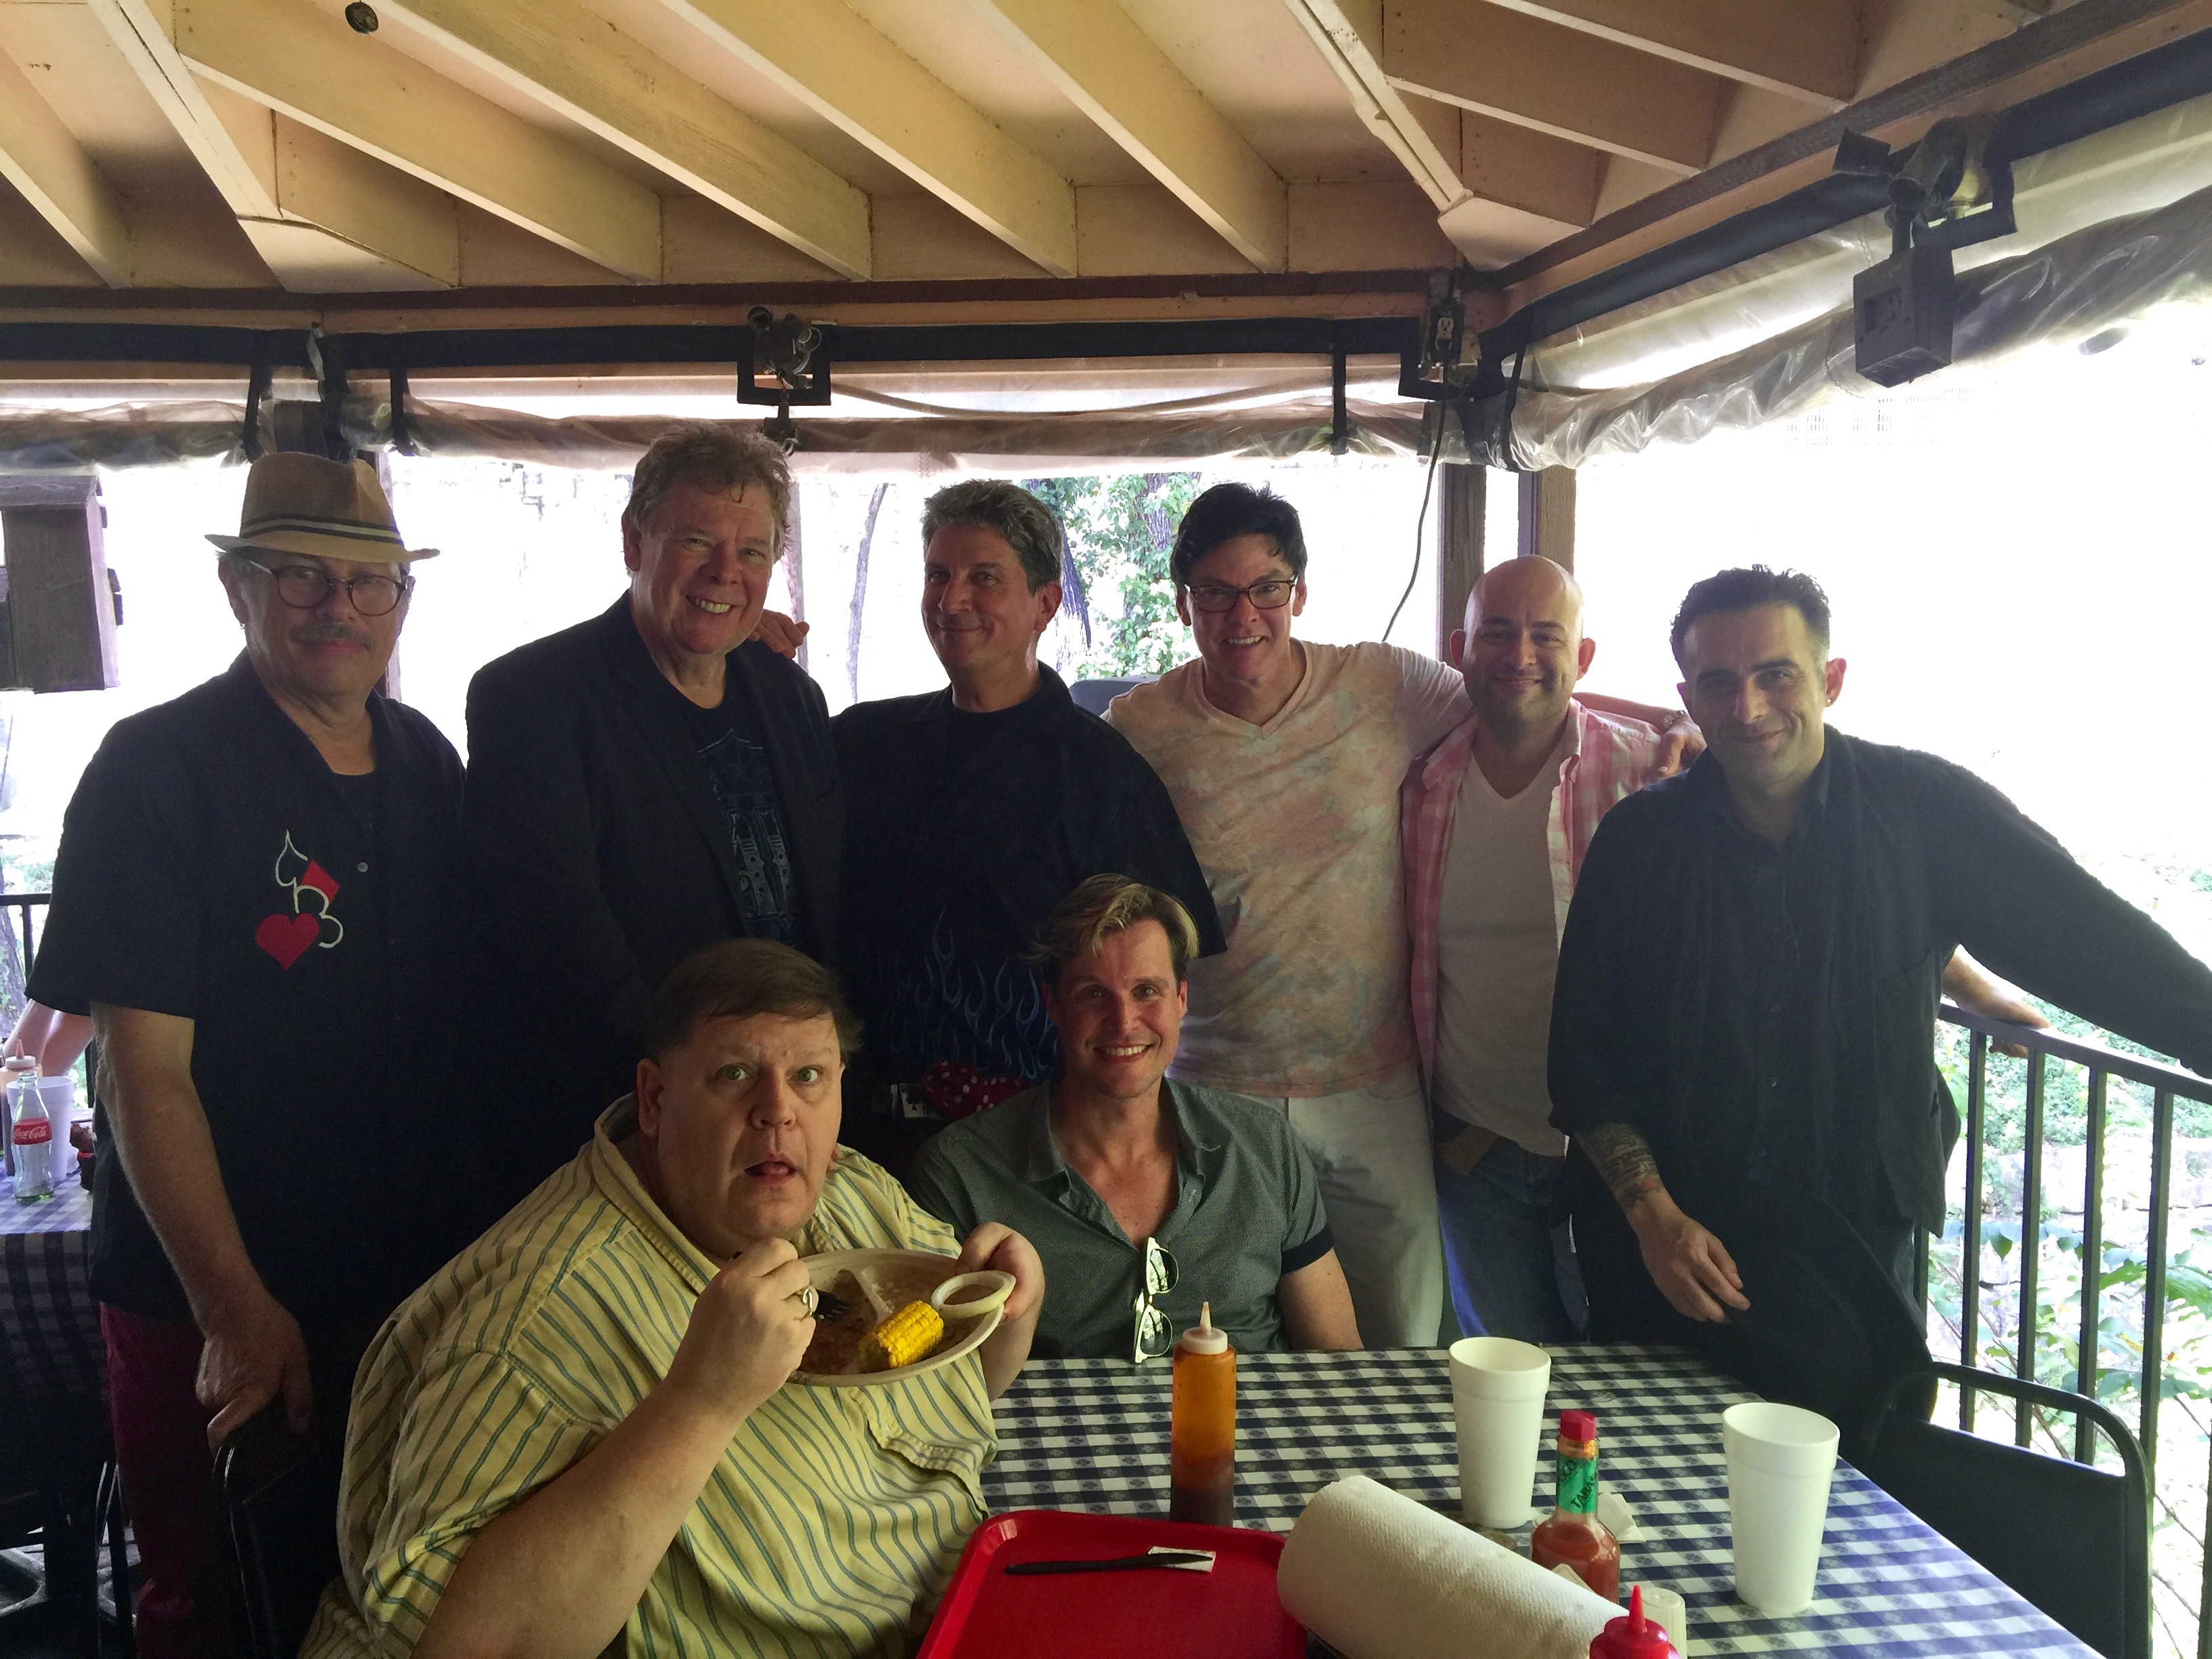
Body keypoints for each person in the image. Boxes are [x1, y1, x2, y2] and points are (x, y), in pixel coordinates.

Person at [27, 452, 476, 1659]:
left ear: (401, 602)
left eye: (369, 582)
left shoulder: (426, 760)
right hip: (211, 1297)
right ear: (239, 589)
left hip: (397, 1289)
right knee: (209, 1600)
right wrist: (233, 1308)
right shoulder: (155, 769)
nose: (339, 606)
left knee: (387, 1586)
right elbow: (139, 1073)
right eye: (301, 576)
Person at [302, 939, 1043, 1659]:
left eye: (809, 1076)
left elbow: (965, 1382)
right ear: (655, 1098)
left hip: (968, 1602)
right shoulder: (532, 1315)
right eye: (734, 1074)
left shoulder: (852, 1192)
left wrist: (1011, 1311)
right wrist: (700, 1402)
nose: (778, 1111)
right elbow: (464, 1646)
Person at [1549, 566, 2212, 1336]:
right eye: (1719, 683)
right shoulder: (1639, 841)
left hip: (1852, 1244)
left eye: (1776, 675)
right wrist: (1653, 1217)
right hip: (1668, 1253)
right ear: (1689, 698)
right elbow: (1582, 1052)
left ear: (1830, 681)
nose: (1748, 707)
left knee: (1857, 1420)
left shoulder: (1923, 810)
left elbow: (2088, 939)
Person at [1106, 483, 1695, 1347]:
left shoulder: (1383, 684)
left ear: (1300, 593)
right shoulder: (1140, 725)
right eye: (1215, 592)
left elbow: (1525, 695)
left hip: (1372, 1081)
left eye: (1266, 588)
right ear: (1184, 603)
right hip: (1214, 1081)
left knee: (1407, 1335)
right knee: (1214, 1326)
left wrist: (1680, 718)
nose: (1243, 615)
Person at [465, 422, 840, 1200]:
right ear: (635, 542)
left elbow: (827, 913)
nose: (724, 572)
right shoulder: (532, 699)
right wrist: (688, 1105)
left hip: (786, 1127)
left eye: (752, 551)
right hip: (624, 1136)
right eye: (696, 541)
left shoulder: (793, 698)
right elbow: (561, 941)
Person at [834, 481, 1222, 1145]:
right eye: (938, 575)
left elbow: (1160, 967)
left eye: (983, 577)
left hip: (1029, 1146)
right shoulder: (863, 743)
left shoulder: (1101, 774)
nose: (951, 600)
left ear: (1046, 604)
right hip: (858, 1137)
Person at [909, 875, 1359, 1359]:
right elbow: (937, 1386)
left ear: (1182, 998)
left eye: (1146, 991)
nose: (1124, 1022)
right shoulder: (959, 1174)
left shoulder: (1265, 1144)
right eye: (1093, 994)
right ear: (1053, 1004)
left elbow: (1338, 1360)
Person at [1402, 556, 1667, 1343]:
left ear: (1582, 656)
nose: (1520, 654)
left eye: (1546, 636)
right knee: (1504, 1377)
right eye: (1498, 632)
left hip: (1616, 1156)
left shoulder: (1647, 773)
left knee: (1619, 1374)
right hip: (1475, 1151)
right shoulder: (1421, 784)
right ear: (1460, 649)